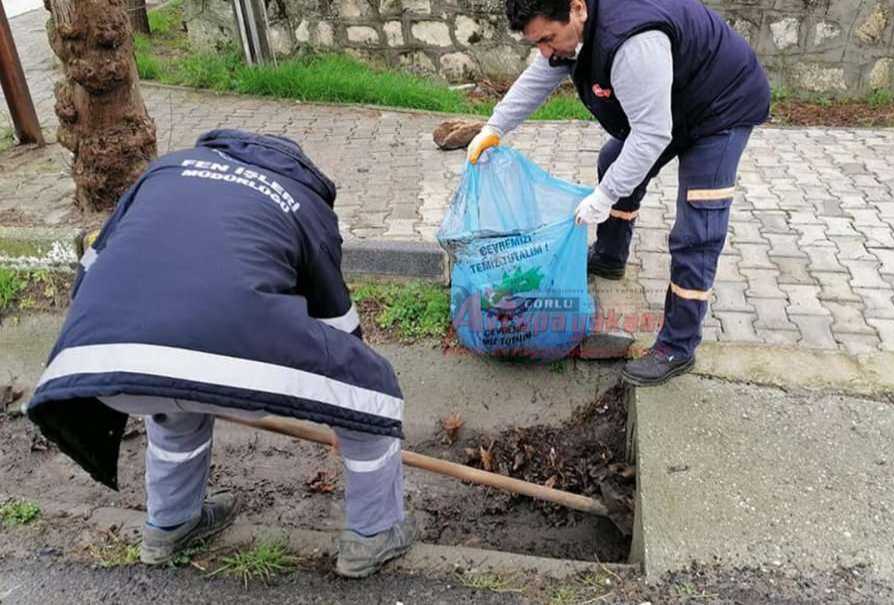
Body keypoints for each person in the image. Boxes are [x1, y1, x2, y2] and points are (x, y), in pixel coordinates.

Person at [27, 129, 414, 578]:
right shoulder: (303, 202)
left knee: (173, 400)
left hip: (93, 357)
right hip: (217, 345)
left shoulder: (163, 171)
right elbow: (340, 329)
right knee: (374, 391)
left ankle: (170, 524)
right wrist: (346, 411)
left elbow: (91, 268)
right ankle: (375, 533)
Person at [467, 0, 770, 386]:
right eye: (536, 43)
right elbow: (539, 76)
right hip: (676, 99)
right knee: (616, 161)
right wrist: (494, 127)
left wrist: (604, 196)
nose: (545, 51)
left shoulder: (630, 43)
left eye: (547, 39)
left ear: (576, 9)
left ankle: (678, 346)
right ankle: (610, 256)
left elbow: (651, 135)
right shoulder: (575, 31)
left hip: (721, 105)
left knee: (698, 226)